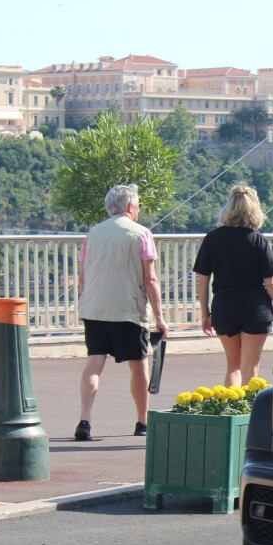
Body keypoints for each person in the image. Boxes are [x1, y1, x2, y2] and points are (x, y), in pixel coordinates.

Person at [75, 184, 169, 441]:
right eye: (138, 205)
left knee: (94, 363)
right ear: (130, 207)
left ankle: (84, 419)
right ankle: (142, 421)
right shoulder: (141, 234)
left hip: (95, 309)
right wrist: (159, 317)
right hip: (128, 310)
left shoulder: (92, 234)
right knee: (138, 366)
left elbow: (82, 278)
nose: (139, 210)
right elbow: (150, 279)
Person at [193, 186, 273, 386]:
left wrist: (205, 314)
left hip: (224, 308)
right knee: (250, 368)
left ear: (228, 208)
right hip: (255, 310)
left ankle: (231, 412)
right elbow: (271, 282)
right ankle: (248, 415)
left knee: (233, 366)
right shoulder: (258, 240)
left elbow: (203, 280)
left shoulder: (212, 239)